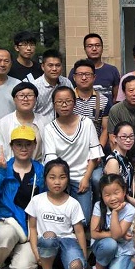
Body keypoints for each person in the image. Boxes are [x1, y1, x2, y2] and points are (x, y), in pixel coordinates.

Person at [0, 125, 45, 269]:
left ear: (34, 146)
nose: (23, 148)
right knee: (7, 233)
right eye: (19, 144)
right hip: (3, 226)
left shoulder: (40, 171)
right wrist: (0, 172)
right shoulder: (3, 168)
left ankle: (5, 256)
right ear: (11, 146)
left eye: (28, 144)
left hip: (28, 231)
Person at [27, 158, 88, 269]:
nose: (57, 182)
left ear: (68, 179)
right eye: (52, 177)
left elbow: (79, 232)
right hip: (47, 242)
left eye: (62, 177)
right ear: (45, 179)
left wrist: (83, 255)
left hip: (68, 242)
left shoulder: (73, 203)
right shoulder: (37, 200)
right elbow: (32, 228)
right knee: (49, 236)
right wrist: (36, 252)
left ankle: (61, 264)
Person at [43, 86, 102, 227]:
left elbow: (95, 155)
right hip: (61, 177)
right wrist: (61, 181)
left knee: (83, 221)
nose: (64, 105)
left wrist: (86, 178)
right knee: (59, 218)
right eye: (59, 102)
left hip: (82, 176)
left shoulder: (86, 123)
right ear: (54, 105)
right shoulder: (49, 128)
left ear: (74, 103)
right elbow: (51, 160)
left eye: (68, 101)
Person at [88, 173, 135, 269]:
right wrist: (120, 234)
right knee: (110, 244)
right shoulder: (98, 206)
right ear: (101, 195)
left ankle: (132, 260)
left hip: (123, 249)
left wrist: (115, 213)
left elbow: (116, 235)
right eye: (107, 195)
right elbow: (94, 233)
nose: (113, 198)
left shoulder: (130, 210)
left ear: (124, 191)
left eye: (116, 193)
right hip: (104, 247)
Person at [72, 58, 110, 200]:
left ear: (94, 77)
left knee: (97, 179)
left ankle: (100, 208)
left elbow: (105, 129)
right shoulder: (67, 99)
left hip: (94, 153)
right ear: (74, 77)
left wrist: (98, 152)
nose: (84, 78)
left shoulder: (104, 100)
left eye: (87, 74)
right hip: (72, 151)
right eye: (80, 74)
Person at [0, 82, 45, 164]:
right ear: (14, 99)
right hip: (9, 169)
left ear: (35, 99)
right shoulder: (4, 123)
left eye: (30, 95)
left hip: (39, 169)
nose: (25, 99)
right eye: (21, 95)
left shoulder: (44, 122)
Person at [104, 122, 135, 208]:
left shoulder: (126, 159)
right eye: (124, 137)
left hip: (127, 203)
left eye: (131, 136)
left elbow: (132, 187)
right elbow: (115, 193)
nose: (128, 140)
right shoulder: (113, 161)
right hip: (117, 206)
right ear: (115, 138)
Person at [76, 33, 121, 105]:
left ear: (102, 48)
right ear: (85, 49)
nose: (94, 49)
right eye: (90, 46)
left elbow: (117, 98)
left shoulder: (112, 70)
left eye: (97, 45)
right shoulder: (76, 71)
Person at [31, 49, 73, 125]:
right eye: (50, 65)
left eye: (58, 65)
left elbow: (72, 106)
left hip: (64, 126)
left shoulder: (66, 83)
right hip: (42, 128)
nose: (54, 69)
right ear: (43, 67)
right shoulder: (35, 87)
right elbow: (31, 112)